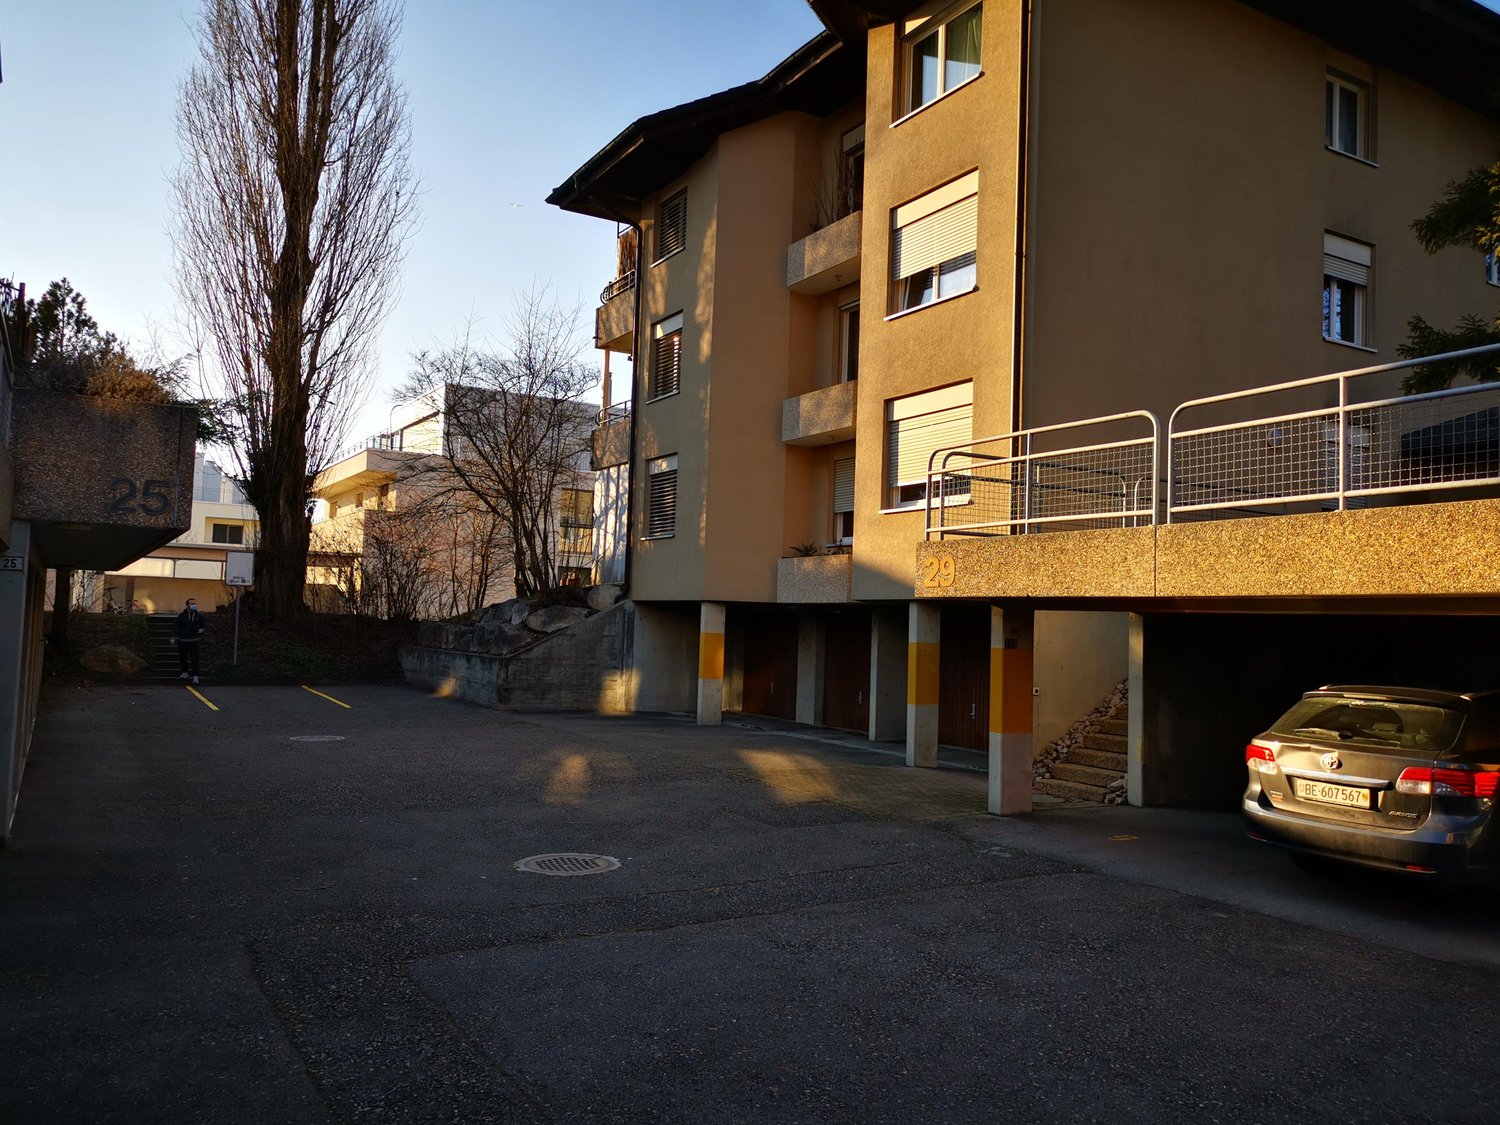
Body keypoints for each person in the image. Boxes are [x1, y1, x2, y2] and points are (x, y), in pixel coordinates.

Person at [174, 597, 206, 684]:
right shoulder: (181, 616)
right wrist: (175, 637)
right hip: (183, 640)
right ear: (187, 605)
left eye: (195, 603)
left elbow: (204, 625)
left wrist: (201, 630)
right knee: (183, 658)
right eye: (192, 603)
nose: (194, 605)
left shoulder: (199, 616)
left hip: (194, 640)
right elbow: (177, 626)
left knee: (194, 658)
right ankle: (185, 672)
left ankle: (196, 676)